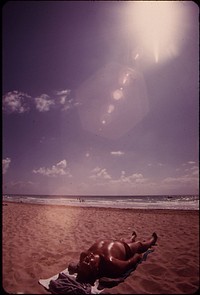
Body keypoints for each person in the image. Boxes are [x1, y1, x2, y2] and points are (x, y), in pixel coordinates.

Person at [75, 231, 158, 285]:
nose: (87, 259)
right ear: (95, 268)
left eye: (84, 262)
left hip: (115, 242)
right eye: (88, 262)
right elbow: (129, 263)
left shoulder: (84, 255)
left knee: (122, 239)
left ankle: (132, 238)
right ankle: (152, 240)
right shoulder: (110, 262)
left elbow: (79, 265)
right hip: (125, 248)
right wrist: (137, 256)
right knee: (139, 244)